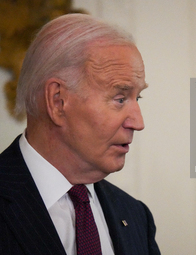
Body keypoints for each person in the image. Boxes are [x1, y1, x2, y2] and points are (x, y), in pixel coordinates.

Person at [0, 13, 161, 255]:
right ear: (58, 101)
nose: (138, 123)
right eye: (120, 98)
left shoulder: (136, 216)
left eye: (136, 98)